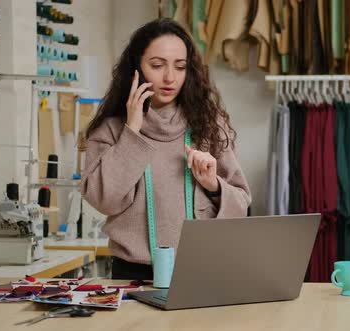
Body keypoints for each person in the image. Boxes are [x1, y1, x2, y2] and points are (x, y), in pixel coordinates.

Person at [81, 18, 251, 281]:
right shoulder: (111, 130)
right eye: (157, 65)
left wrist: (213, 187)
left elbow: (242, 204)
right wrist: (132, 132)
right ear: (136, 68)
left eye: (180, 67)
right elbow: (103, 200)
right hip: (132, 277)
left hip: (204, 272)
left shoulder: (209, 125)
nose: (170, 77)